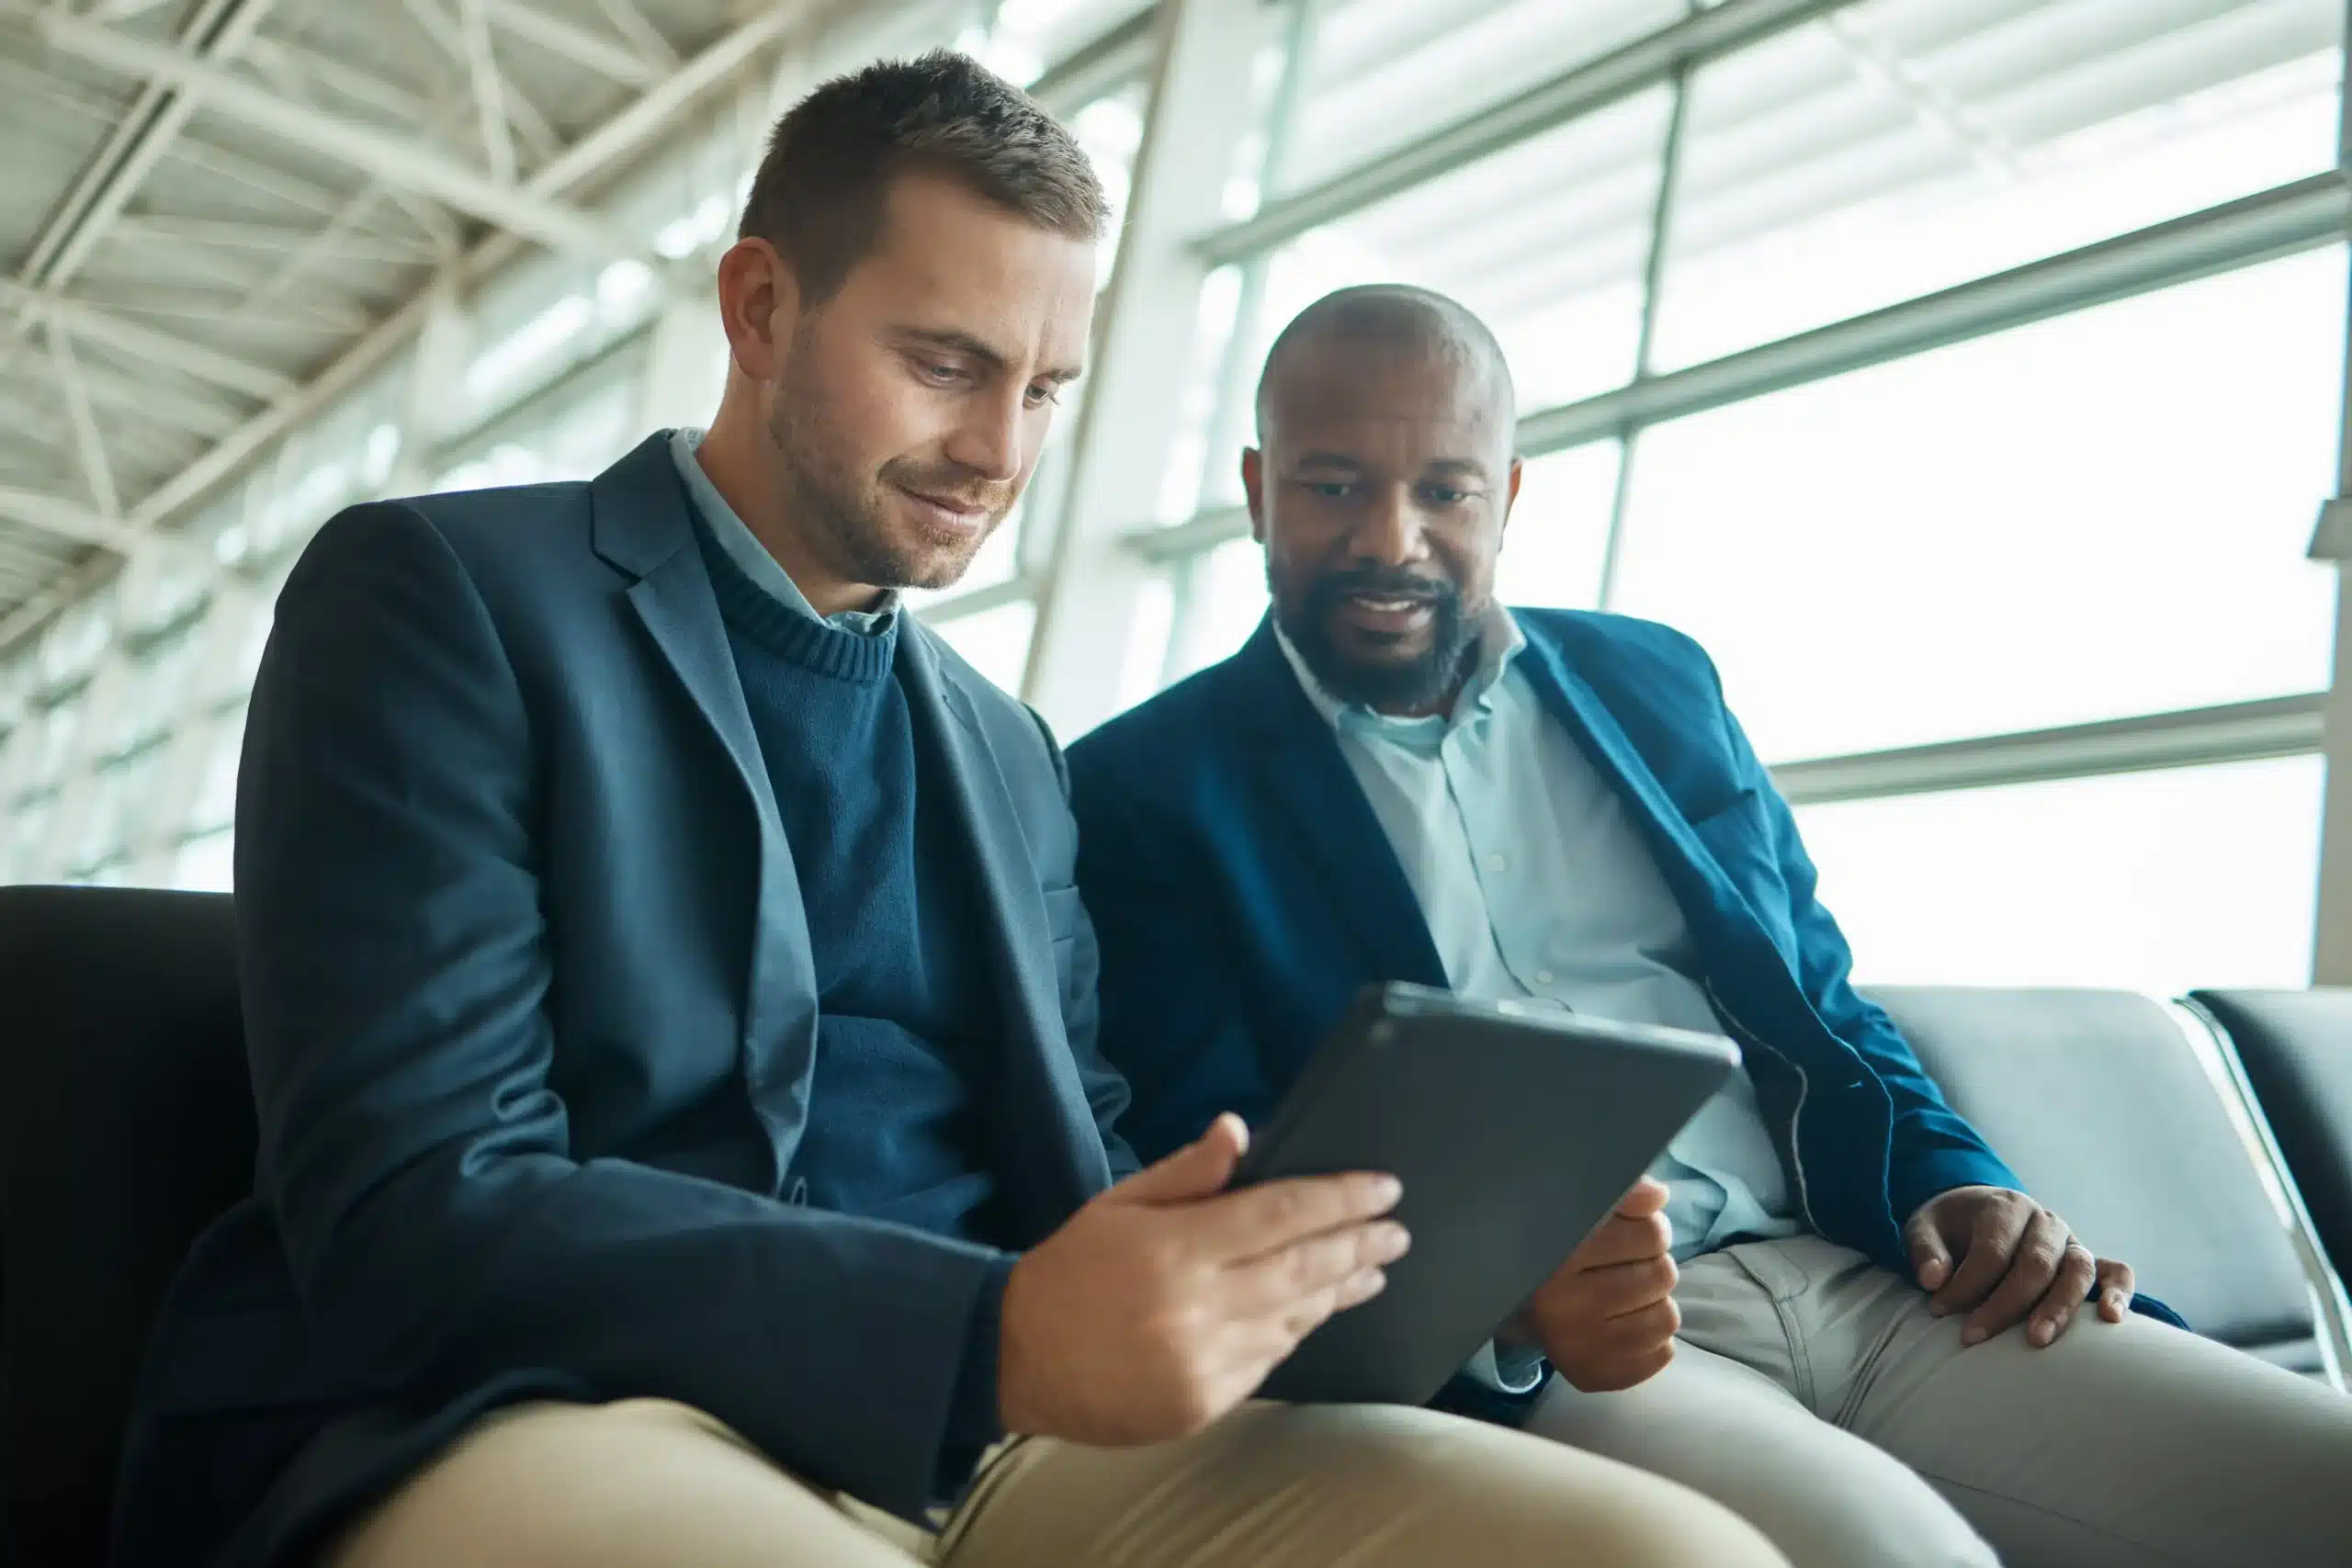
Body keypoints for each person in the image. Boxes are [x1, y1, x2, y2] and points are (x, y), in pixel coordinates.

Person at [107, 59, 1790, 1568]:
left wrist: (1470, 1290)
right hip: (553, 1406)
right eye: (944, 364)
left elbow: (1099, 1169)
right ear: (760, 309)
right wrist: (982, 1331)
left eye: (1048, 388)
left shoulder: (1002, 749)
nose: (999, 448)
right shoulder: (447, 597)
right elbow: (419, 1203)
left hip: (1003, 1429)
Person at [1065, 282, 2352, 1568]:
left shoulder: (1658, 681)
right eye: (1335, 486)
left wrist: (1961, 1176)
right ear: (1256, 486)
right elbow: (1218, 1164)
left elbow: (1828, 1005)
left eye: (1444, 492)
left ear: (1507, 494)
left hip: (1868, 1274)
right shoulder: (1142, 790)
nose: (1391, 538)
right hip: (1582, 1359)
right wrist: (1501, 1296)